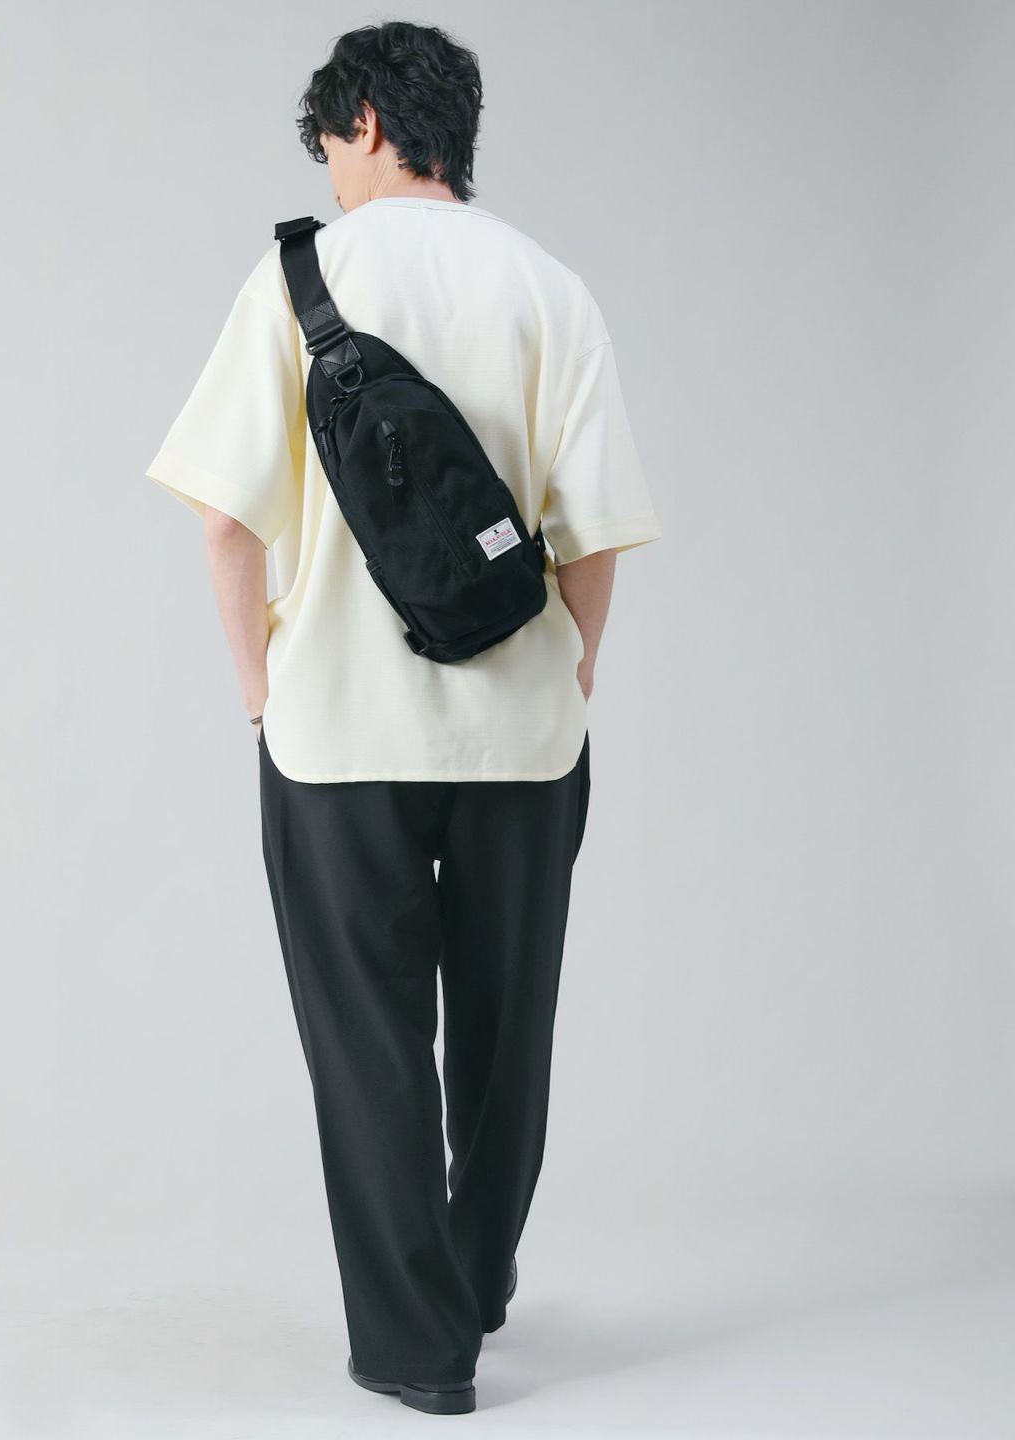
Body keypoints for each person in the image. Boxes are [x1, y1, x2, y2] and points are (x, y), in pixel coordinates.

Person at [146, 20, 662, 1417]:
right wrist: (572, 671)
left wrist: (259, 688)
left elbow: (223, 522)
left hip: (335, 734)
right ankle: (476, 1281)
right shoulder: (552, 289)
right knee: (508, 1030)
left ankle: (416, 1350)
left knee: (368, 1046)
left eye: (328, 139)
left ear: (368, 120)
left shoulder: (295, 281)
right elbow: (596, 534)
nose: (326, 169)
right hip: (524, 736)